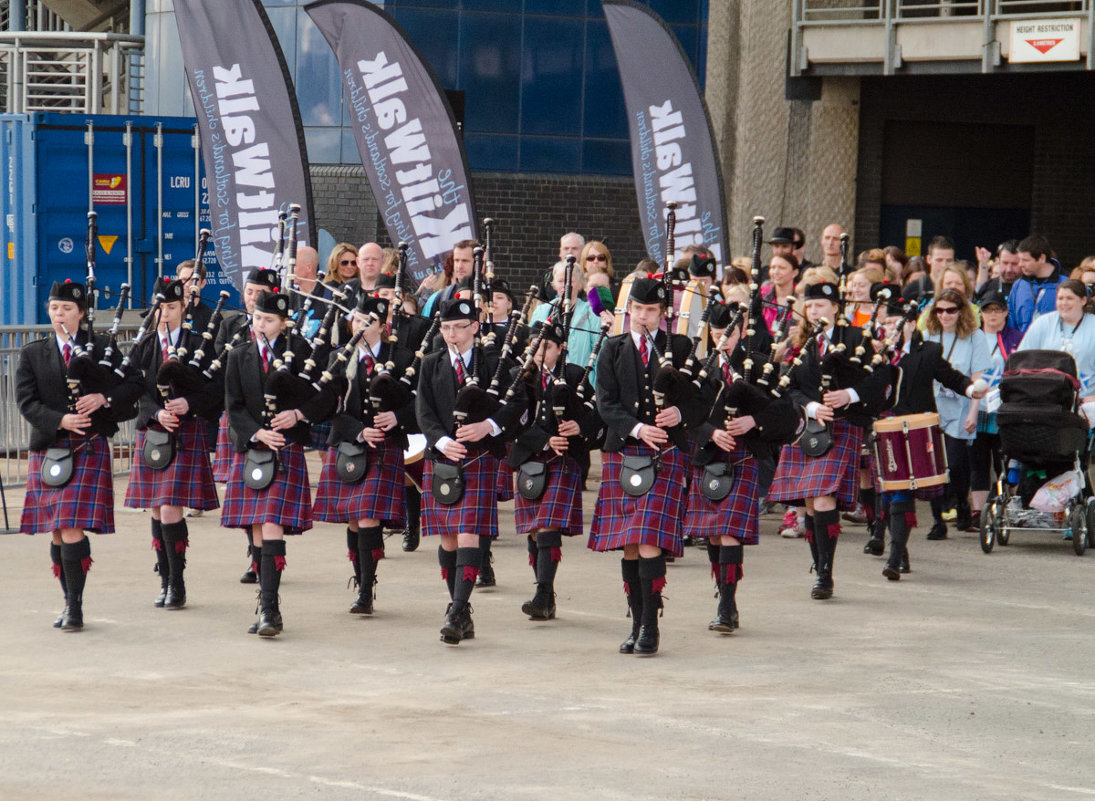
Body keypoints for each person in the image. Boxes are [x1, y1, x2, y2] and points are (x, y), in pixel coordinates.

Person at [589, 276, 706, 655]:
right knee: (629, 545)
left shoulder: (681, 348)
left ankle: (651, 628)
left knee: (649, 540)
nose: (642, 317)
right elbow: (605, 403)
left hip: (666, 454)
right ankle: (636, 622)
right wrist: (638, 427)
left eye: (651, 310)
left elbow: (701, 401)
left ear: (663, 313)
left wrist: (678, 413)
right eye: (637, 310)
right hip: (625, 450)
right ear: (628, 310)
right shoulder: (612, 348)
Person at [16, 279, 142, 630]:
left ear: (82, 313)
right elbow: (27, 402)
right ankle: (68, 599)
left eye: (67, 309)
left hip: (87, 446)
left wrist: (105, 398)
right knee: (57, 531)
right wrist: (61, 420)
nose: (60, 314)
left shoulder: (102, 347)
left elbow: (134, 382)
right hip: (51, 445)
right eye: (55, 308)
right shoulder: (33, 353)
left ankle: (75, 607)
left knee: (70, 526)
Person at [766, 281, 889, 600]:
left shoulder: (857, 338)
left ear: (836, 307)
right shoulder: (802, 342)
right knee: (809, 503)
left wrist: (848, 395)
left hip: (842, 425)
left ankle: (825, 573)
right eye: (810, 305)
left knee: (823, 500)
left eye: (820, 304)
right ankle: (818, 564)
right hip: (807, 426)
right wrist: (811, 405)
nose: (814, 310)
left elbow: (881, 378)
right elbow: (790, 385)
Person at [415, 297, 526, 645]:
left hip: (478, 459)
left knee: (467, 533)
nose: (452, 335)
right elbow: (424, 411)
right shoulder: (431, 363)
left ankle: (457, 609)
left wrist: (489, 426)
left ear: (475, 328)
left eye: (459, 328)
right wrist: (442, 441)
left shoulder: (493, 361)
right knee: (448, 538)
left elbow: (518, 402)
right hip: (445, 457)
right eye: (446, 328)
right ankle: (459, 610)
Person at [311, 293, 414, 615]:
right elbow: (328, 407)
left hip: (385, 448)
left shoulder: (404, 357)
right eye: (357, 319)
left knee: (368, 515)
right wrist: (358, 430)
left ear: (382, 326)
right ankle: (360, 579)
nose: (361, 325)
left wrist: (399, 418)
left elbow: (419, 404)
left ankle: (367, 590)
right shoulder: (339, 358)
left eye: (368, 321)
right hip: (349, 443)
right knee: (355, 520)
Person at [220, 289, 314, 637]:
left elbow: (324, 396)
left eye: (269, 320)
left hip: (286, 450)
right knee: (258, 530)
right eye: (258, 318)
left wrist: (298, 415)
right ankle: (264, 603)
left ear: (283, 322)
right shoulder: (239, 354)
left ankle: (271, 610)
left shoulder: (301, 351)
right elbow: (234, 405)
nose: (261, 325)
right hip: (253, 447)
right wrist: (258, 433)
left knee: (271, 524)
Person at [123, 278, 222, 610]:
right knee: (155, 507)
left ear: (183, 308)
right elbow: (132, 389)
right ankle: (164, 580)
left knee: (169, 507)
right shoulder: (145, 346)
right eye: (161, 308)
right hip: (153, 431)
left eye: (172, 307)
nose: (166, 314)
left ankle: (177, 583)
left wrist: (189, 405)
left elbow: (214, 392)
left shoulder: (199, 344)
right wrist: (155, 412)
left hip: (186, 432)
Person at [872, 296, 985, 579]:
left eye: (893, 324)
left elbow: (951, 377)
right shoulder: (874, 352)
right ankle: (900, 552)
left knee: (903, 491)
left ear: (910, 325)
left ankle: (894, 558)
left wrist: (971, 391)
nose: (888, 329)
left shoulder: (929, 351)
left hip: (917, 427)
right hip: (883, 427)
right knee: (887, 493)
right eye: (884, 324)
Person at [508, 319, 601, 621]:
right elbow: (510, 424)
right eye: (535, 345)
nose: (539, 352)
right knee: (535, 530)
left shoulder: (575, 376)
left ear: (561, 349)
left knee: (547, 526)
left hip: (562, 462)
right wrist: (545, 438)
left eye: (546, 346)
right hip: (529, 459)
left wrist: (580, 427)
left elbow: (598, 414)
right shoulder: (518, 377)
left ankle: (543, 593)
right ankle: (544, 593)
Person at [685, 303, 766, 633]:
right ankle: (723, 591)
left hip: (743, 457)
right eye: (716, 334)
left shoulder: (758, 366)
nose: (722, 341)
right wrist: (711, 432)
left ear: (741, 331)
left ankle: (727, 606)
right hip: (709, 456)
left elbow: (783, 412)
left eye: (728, 333)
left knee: (730, 532)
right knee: (714, 535)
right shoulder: (701, 370)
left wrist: (754, 420)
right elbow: (686, 417)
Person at [211, 268, 281, 584]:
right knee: (249, 496)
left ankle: (267, 560)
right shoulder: (232, 325)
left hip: (275, 425)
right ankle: (256, 559)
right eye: (249, 291)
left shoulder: (290, 339)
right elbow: (221, 366)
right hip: (240, 417)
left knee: (268, 505)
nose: (252, 298)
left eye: (258, 292)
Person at [923, 289, 990, 538]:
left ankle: (962, 504)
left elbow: (977, 379)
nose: (945, 315)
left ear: (961, 311)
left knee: (956, 464)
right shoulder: (928, 335)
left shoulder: (975, 337)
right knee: (932, 466)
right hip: (932, 405)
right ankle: (937, 519)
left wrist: (973, 413)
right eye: (939, 310)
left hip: (961, 405)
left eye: (950, 310)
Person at [969, 290, 1022, 531]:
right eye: (988, 310)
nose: (993, 315)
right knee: (978, 460)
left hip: (1005, 407)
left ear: (1006, 312)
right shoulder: (971, 337)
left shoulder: (1016, 338)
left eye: (998, 310)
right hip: (977, 407)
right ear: (980, 312)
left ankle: (1014, 506)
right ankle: (978, 511)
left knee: (1008, 458)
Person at [1017, 279, 1095, 398]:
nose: (1064, 303)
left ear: (1083, 300)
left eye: (1069, 298)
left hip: (1085, 400)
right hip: (1046, 399)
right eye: (1060, 298)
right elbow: (1021, 360)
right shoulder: (1042, 322)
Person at [1008, 234, 1066, 333]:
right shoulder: (1018, 285)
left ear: (1041, 258)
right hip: (1023, 346)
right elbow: (1011, 322)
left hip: (1054, 347)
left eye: (1025, 260)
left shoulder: (1066, 284)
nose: (1020, 264)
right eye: (1020, 260)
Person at [422, 240, 477, 318]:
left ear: (477, 263)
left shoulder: (493, 295)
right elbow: (426, 327)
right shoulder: (441, 296)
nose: (459, 266)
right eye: (456, 260)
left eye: (465, 261)